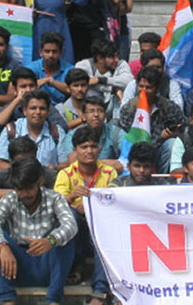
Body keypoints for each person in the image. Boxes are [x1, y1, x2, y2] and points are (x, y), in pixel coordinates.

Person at [0, 157, 77, 305]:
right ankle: (8, 299)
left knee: (66, 240)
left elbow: (70, 224)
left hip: (48, 265)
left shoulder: (55, 198)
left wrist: (50, 240)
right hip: (17, 266)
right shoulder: (10, 199)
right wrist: (3, 246)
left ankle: (53, 300)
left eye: (29, 188)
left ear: (39, 182)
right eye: (20, 189)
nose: (25, 194)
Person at [54, 126, 115, 303]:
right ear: (75, 150)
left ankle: (100, 289)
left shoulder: (110, 173)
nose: (89, 151)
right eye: (84, 147)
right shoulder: (65, 174)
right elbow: (55, 204)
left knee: (105, 228)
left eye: (93, 146)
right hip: (77, 233)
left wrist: (91, 205)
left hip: (101, 230)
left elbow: (115, 200)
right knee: (70, 215)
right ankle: (74, 264)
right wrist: (73, 197)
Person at [117, 66, 186, 173]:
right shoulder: (128, 109)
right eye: (141, 86)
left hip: (159, 153)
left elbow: (184, 128)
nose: (144, 91)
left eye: (148, 87)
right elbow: (128, 139)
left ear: (157, 88)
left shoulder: (168, 107)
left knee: (172, 143)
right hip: (135, 153)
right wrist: (159, 137)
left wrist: (174, 134)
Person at [58, 91, 122, 170]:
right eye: (91, 111)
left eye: (100, 111)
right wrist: (105, 163)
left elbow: (130, 155)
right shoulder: (73, 135)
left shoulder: (115, 131)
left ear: (105, 115)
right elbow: (73, 163)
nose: (96, 115)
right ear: (84, 116)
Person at [0, 90, 60, 169]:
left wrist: (54, 168)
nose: (38, 112)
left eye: (42, 108)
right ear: (25, 111)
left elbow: (66, 163)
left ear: (47, 112)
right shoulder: (11, 130)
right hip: (16, 177)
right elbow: (0, 164)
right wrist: (21, 172)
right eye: (33, 108)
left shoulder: (57, 132)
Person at [75, 38, 132, 119]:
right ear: (100, 58)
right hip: (90, 107)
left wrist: (102, 80)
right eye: (112, 57)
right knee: (91, 92)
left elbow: (129, 81)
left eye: (117, 55)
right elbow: (84, 85)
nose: (116, 60)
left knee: (118, 98)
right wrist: (114, 90)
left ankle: (117, 124)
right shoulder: (83, 65)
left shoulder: (121, 64)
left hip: (112, 109)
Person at [29, 32, 73, 107]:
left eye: (54, 52)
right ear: (41, 52)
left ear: (61, 53)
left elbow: (74, 90)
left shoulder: (69, 69)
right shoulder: (31, 68)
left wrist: (50, 81)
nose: (51, 55)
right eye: (47, 51)